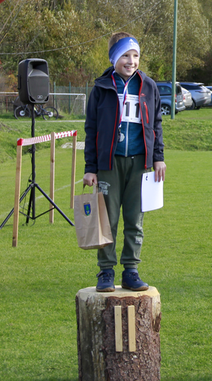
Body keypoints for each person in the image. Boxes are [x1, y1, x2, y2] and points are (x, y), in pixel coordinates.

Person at [83, 32, 166, 292]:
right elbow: (91, 129)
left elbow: (156, 124)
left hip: (140, 164)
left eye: (135, 55)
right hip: (109, 164)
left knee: (135, 219)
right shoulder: (101, 88)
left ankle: (131, 269)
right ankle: (106, 271)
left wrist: (158, 158)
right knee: (107, 219)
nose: (131, 61)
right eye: (125, 56)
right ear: (113, 58)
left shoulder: (149, 86)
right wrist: (90, 168)